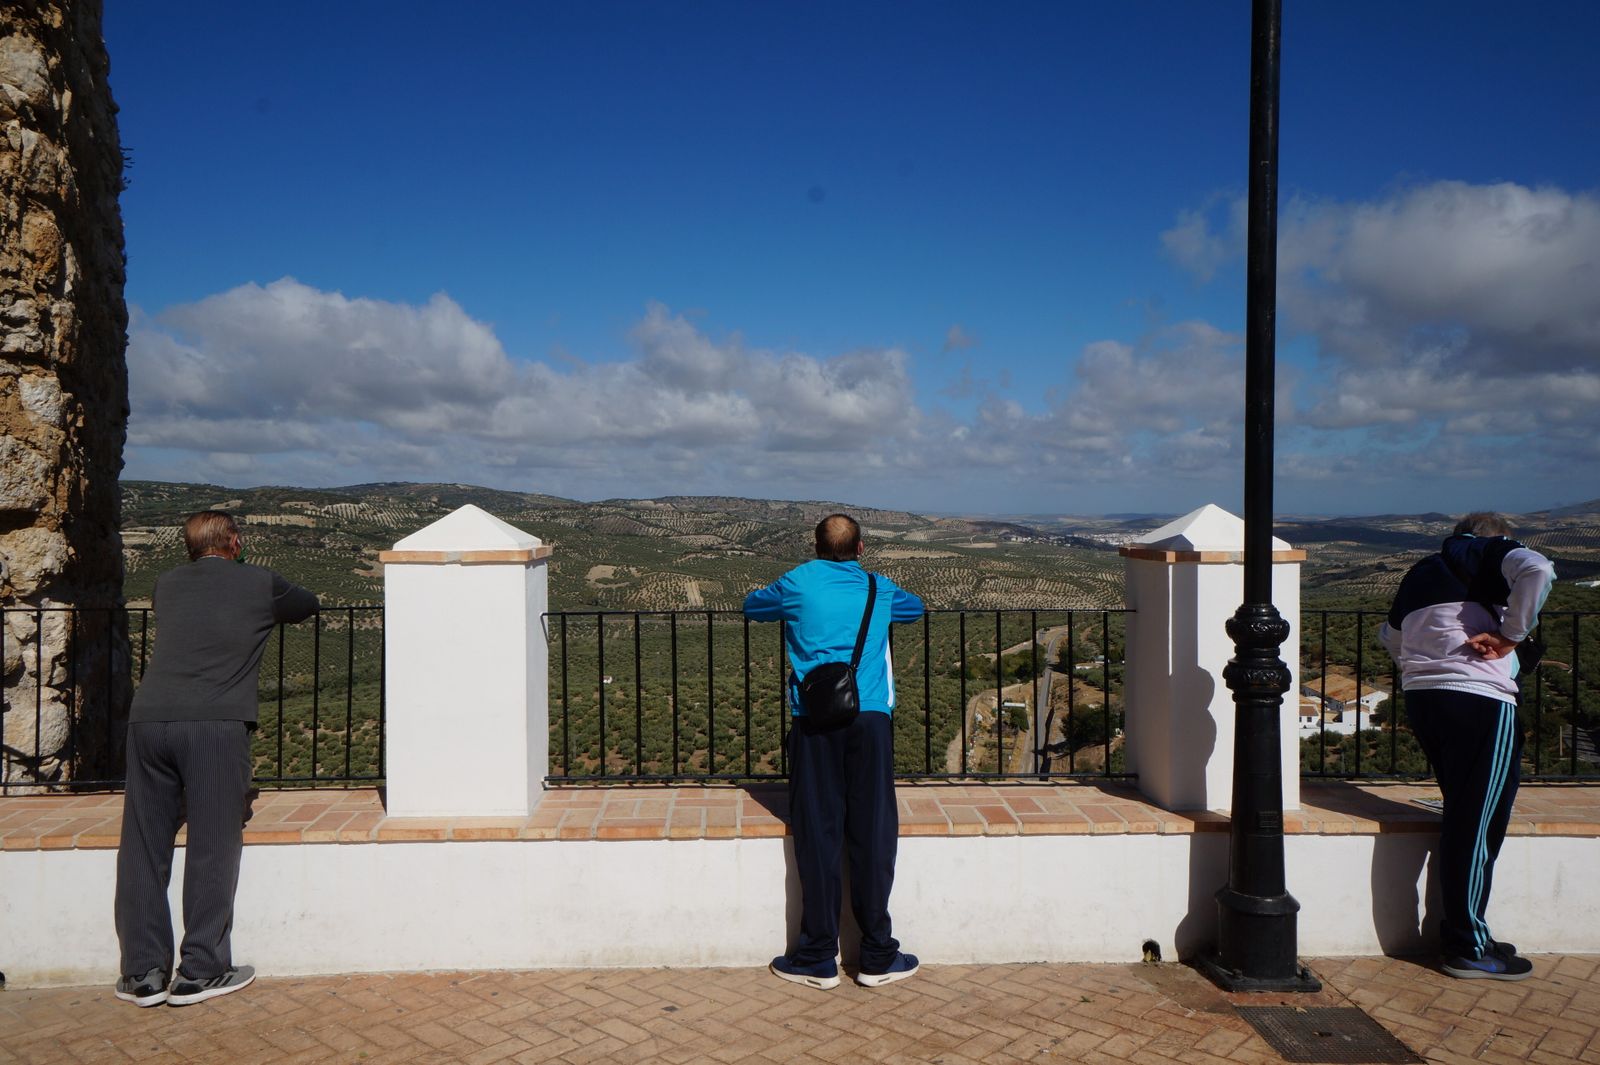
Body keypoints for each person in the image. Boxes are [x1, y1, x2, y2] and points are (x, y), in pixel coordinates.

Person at [114, 511, 318, 1006]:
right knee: (212, 842)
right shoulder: (260, 582)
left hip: (149, 720)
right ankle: (201, 970)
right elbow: (307, 604)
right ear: (235, 542)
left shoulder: (166, 584)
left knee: (143, 843)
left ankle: (143, 973)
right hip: (215, 724)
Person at [744, 513, 925, 989]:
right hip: (871, 720)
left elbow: (752, 607)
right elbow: (915, 609)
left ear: (816, 546)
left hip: (814, 720)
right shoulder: (878, 588)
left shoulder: (797, 582)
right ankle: (878, 954)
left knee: (818, 834)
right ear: (860, 548)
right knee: (874, 832)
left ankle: (818, 956)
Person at [1379, 511, 1554, 981]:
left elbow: (1390, 636)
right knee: (1478, 825)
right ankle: (1468, 944)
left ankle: (1471, 932)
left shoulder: (1420, 572)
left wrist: (1424, 665)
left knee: (1465, 815)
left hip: (1424, 699)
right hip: (1479, 701)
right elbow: (1539, 570)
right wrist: (1510, 636)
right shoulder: (1485, 549)